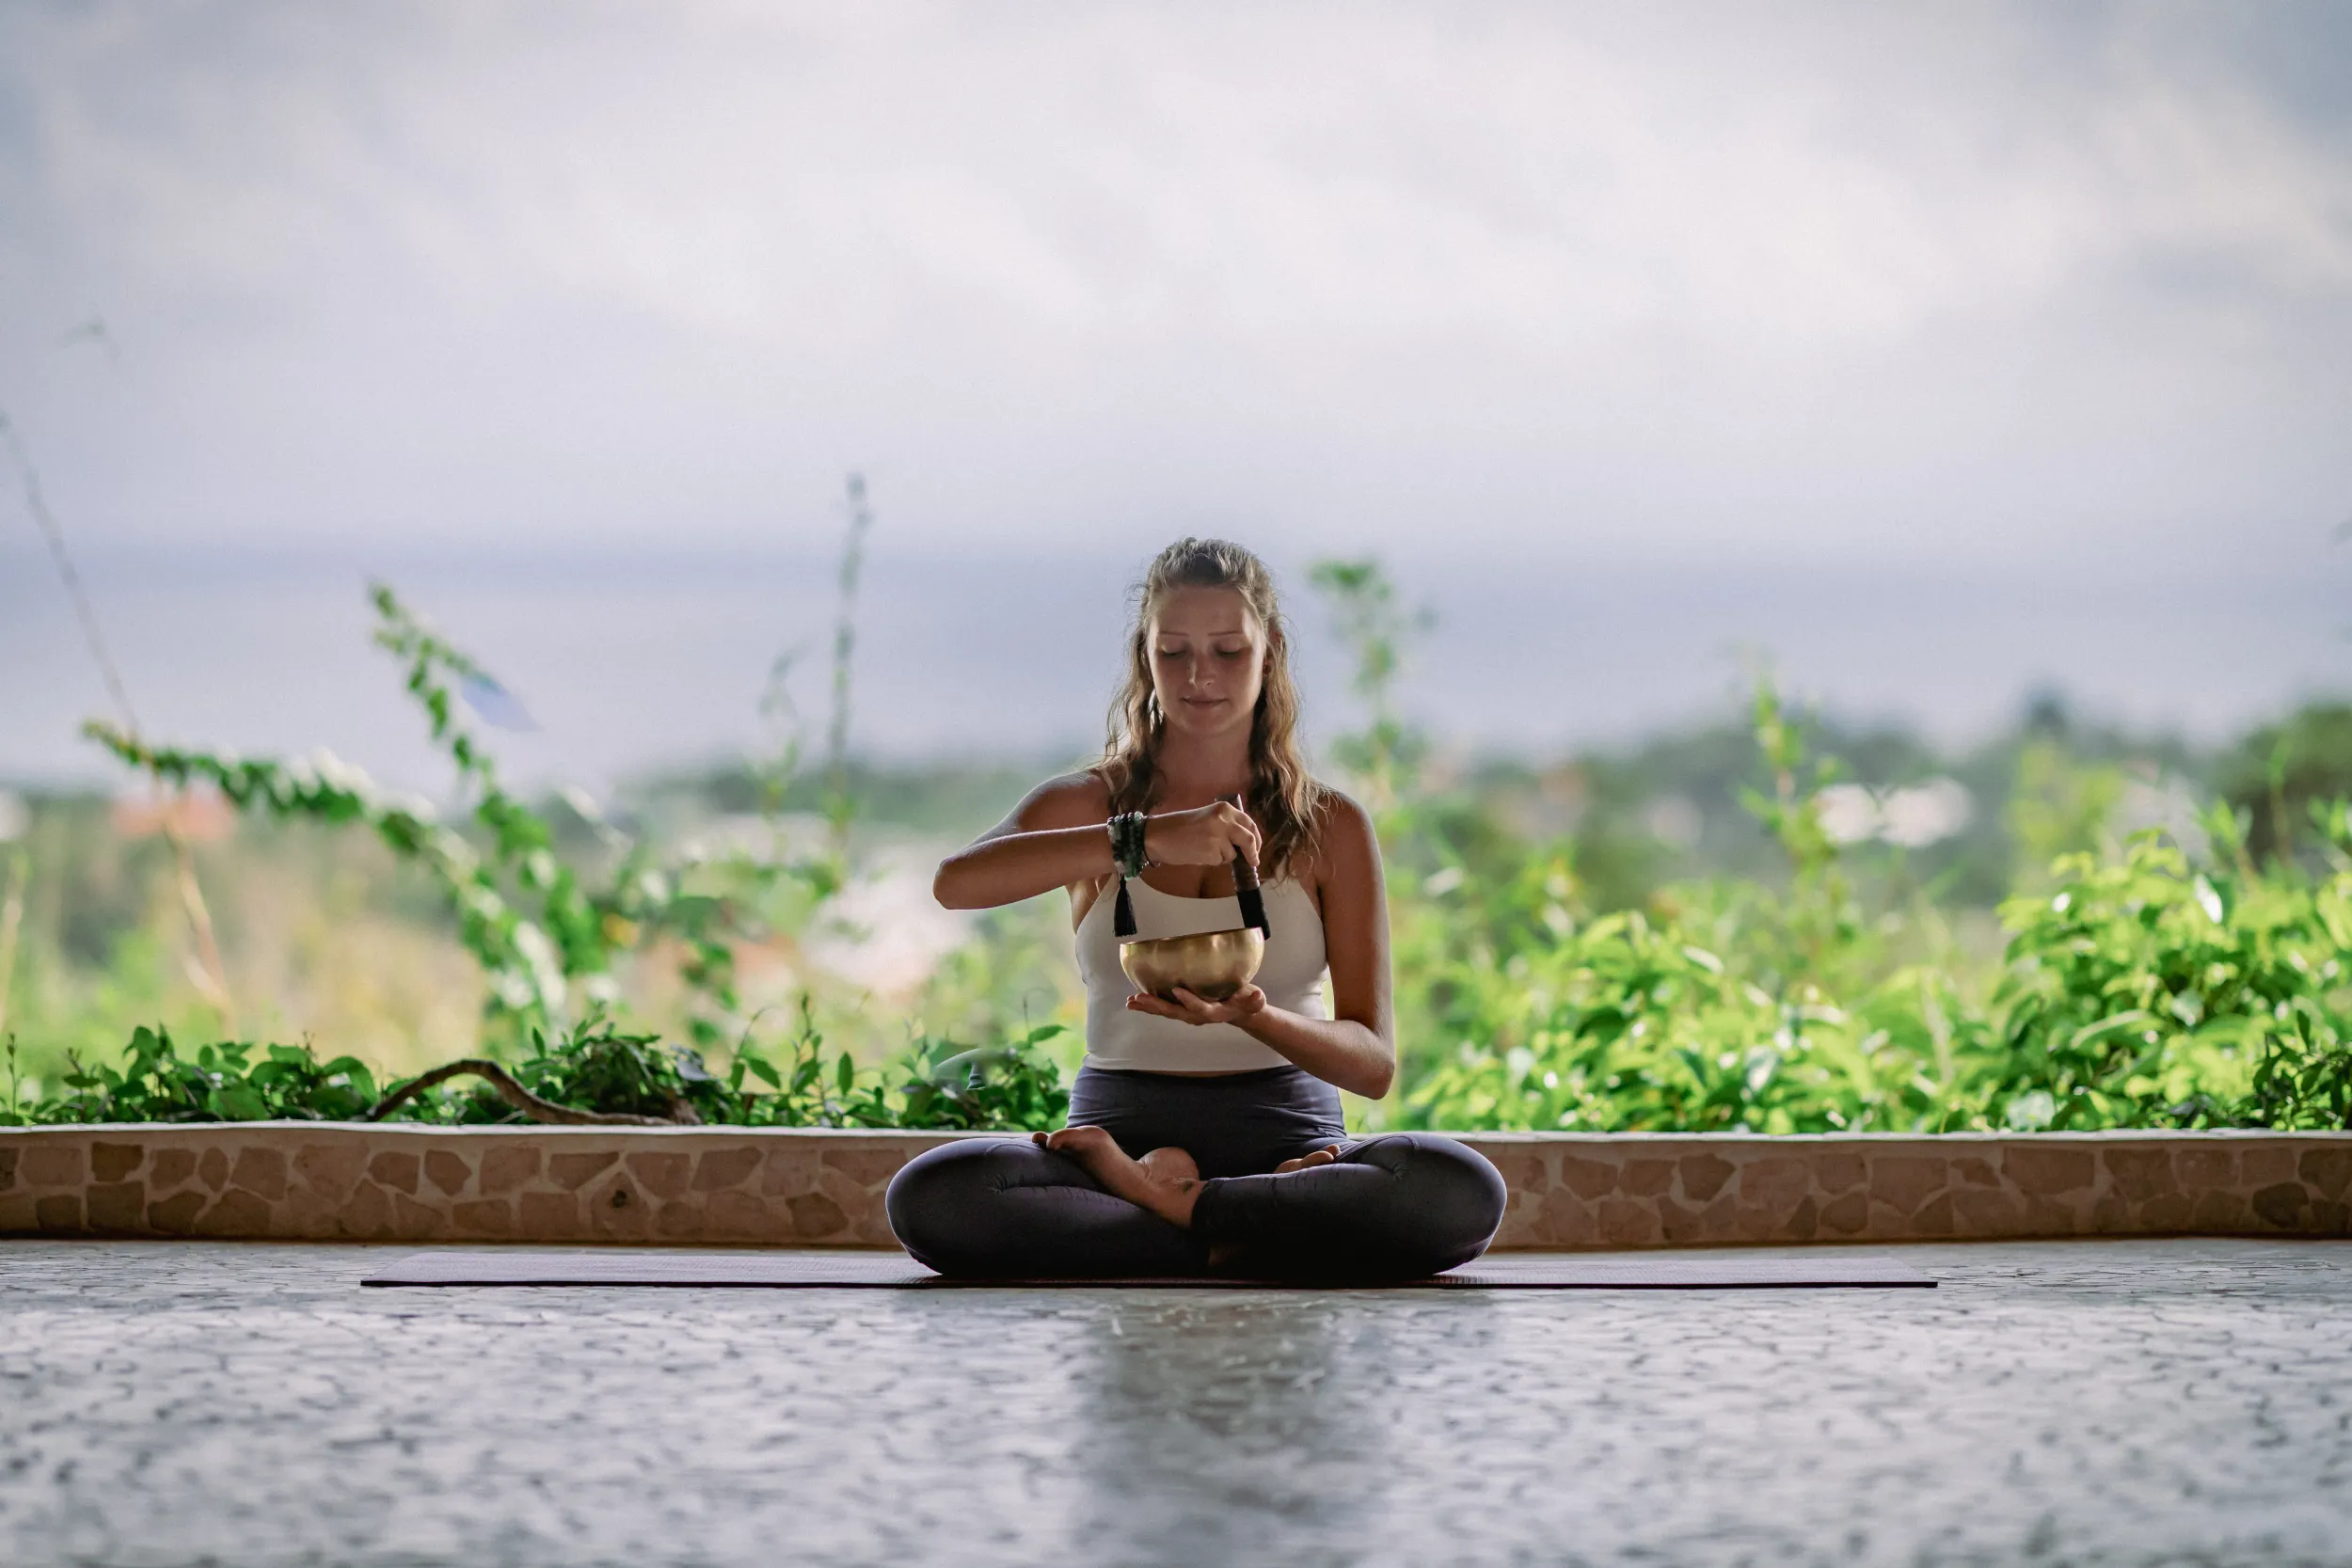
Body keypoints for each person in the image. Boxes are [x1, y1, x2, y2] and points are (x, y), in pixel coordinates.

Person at [883, 537, 1504, 1281]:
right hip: (1118, 1132)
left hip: (1295, 1148)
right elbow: (957, 884)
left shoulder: (1331, 825)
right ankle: (1245, 1227)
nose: (1198, 674)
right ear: (1144, 655)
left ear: (1269, 651)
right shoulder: (1092, 806)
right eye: (1172, 651)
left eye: (1227, 650)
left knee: (1459, 1189)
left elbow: (1372, 1065)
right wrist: (1142, 838)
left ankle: (1168, 1209)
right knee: (936, 1195)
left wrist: (1257, 1016)